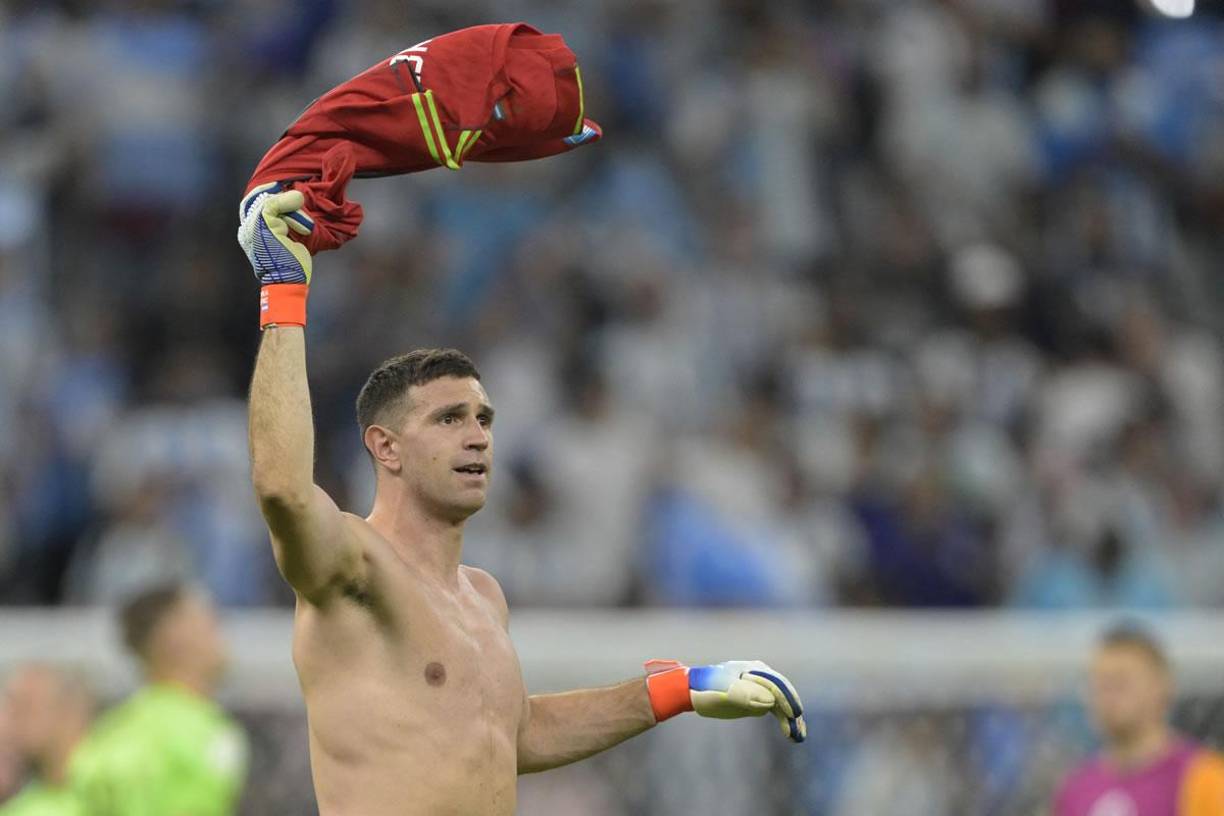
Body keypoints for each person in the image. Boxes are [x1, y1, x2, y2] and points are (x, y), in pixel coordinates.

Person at [237, 189, 808, 815]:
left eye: (483, 418)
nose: (478, 435)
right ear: (387, 448)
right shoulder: (354, 567)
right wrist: (284, 296)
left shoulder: (482, 596)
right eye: (449, 419)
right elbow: (283, 489)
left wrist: (678, 690)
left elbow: (516, 735)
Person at [70, 584, 248, 816]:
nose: (220, 635)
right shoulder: (193, 732)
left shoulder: (112, 731)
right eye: (209, 622)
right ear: (174, 636)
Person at [1053, 623, 1224, 816]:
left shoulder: (1202, 778)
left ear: (1161, 687)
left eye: (1121, 682)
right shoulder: (1076, 788)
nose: (1108, 695)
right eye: (1100, 683)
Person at [0, 665, 92, 816]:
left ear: (66, 711)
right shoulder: (21, 806)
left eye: (25, 706)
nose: (6, 721)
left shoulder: (111, 779)